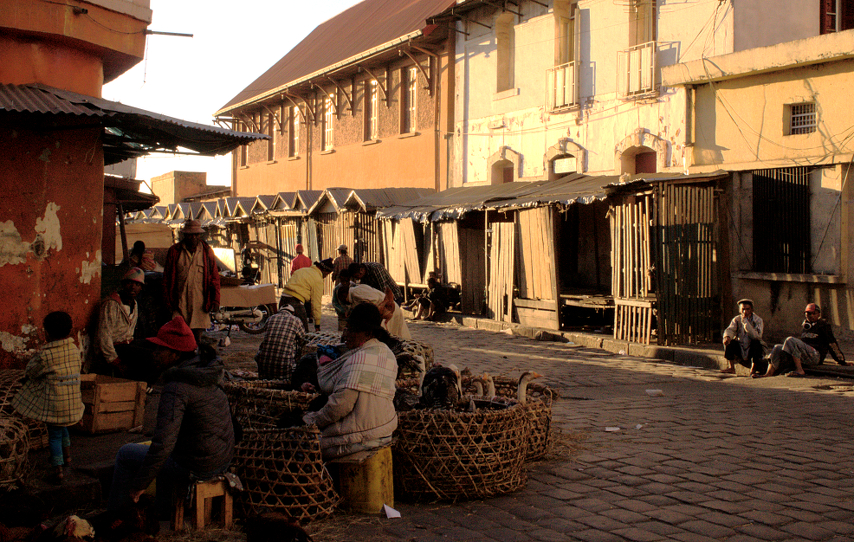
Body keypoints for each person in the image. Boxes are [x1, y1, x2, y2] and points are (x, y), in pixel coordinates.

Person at [107, 316, 234, 517]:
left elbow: (164, 443)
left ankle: (116, 515)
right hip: (221, 457)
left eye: (159, 350)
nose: (154, 354)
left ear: (174, 355)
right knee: (159, 453)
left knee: (126, 454)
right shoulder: (207, 370)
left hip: (198, 464)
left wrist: (140, 485)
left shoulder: (176, 387)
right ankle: (163, 510)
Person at [303, 303, 398, 459]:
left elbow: (340, 406)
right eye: (347, 329)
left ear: (367, 333)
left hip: (359, 437)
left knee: (299, 441)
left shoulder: (360, 359)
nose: (346, 335)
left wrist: (312, 420)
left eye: (352, 330)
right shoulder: (386, 354)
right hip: (385, 429)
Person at [11, 311, 84, 483]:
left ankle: (57, 469)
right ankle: (67, 458)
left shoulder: (45, 355)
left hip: (56, 405)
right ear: (70, 330)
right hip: (73, 404)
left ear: (46, 333)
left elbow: (31, 372)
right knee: (64, 428)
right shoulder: (74, 349)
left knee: (54, 435)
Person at [163, 220, 221, 347]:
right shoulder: (175, 251)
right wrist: (168, 301)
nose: (193, 237)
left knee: (197, 335)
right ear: (184, 235)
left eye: (196, 235)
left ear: (199, 235)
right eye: (190, 235)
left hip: (200, 301)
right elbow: (167, 278)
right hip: (179, 301)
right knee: (180, 334)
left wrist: (216, 300)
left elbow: (215, 278)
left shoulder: (206, 251)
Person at [757, 303, 848, 378]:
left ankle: (800, 370)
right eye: (808, 313)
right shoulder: (806, 326)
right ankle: (768, 373)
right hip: (805, 355)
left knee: (790, 340)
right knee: (777, 347)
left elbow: (832, 343)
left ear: (818, 314)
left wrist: (841, 361)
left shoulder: (823, 326)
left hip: (816, 356)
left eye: (813, 313)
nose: (811, 316)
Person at [97, 267, 153, 381]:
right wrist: (115, 361)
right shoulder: (111, 304)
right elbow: (104, 336)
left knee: (154, 349)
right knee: (148, 357)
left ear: (141, 288)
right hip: (115, 347)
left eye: (137, 284)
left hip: (127, 344)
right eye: (129, 283)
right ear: (123, 284)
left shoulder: (134, 304)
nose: (133, 287)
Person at [337, 281, 411, 339]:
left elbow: (374, 301)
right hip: (385, 309)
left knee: (391, 333)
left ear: (344, 295)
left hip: (388, 309)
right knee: (394, 332)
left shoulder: (356, 293)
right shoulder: (356, 291)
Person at [279, 258, 334, 332]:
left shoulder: (301, 270)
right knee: (303, 332)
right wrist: (317, 324)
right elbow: (316, 303)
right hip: (296, 303)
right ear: (324, 270)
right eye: (327, 274)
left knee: (284, 328)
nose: (325, 277)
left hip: (283, 299)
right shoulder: (318, 279)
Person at [255, 305, 306, 382]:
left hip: (263, 366)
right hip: (284, 368)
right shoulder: (296, 320)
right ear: (292, 313)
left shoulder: (271, 318)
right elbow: (303, 340)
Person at [721, 298, 764, 375]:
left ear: (751, 310)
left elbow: (756, 336)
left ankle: (753, 369)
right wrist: (727, 336)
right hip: (740, 346)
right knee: (730, 342)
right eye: (743, 309)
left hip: (751, 346)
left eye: (747, 309)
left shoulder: (758, 320)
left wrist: (746, 323)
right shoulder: (737, 319)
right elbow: (730, 329)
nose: (745, 312)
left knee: (757, 343)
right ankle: (731, 368)